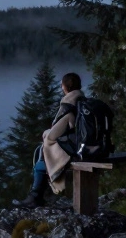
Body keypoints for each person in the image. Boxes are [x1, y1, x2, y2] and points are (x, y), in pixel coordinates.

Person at [17, 72, 83, 208]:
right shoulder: (83, 101)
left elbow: (55, 133)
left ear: (65, 87)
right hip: (84, 145)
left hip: (73, 149)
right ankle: (36, 196)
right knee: (42, 153)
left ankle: (35, 197)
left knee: (41, 158)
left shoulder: (68, 105)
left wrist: (46, 133)